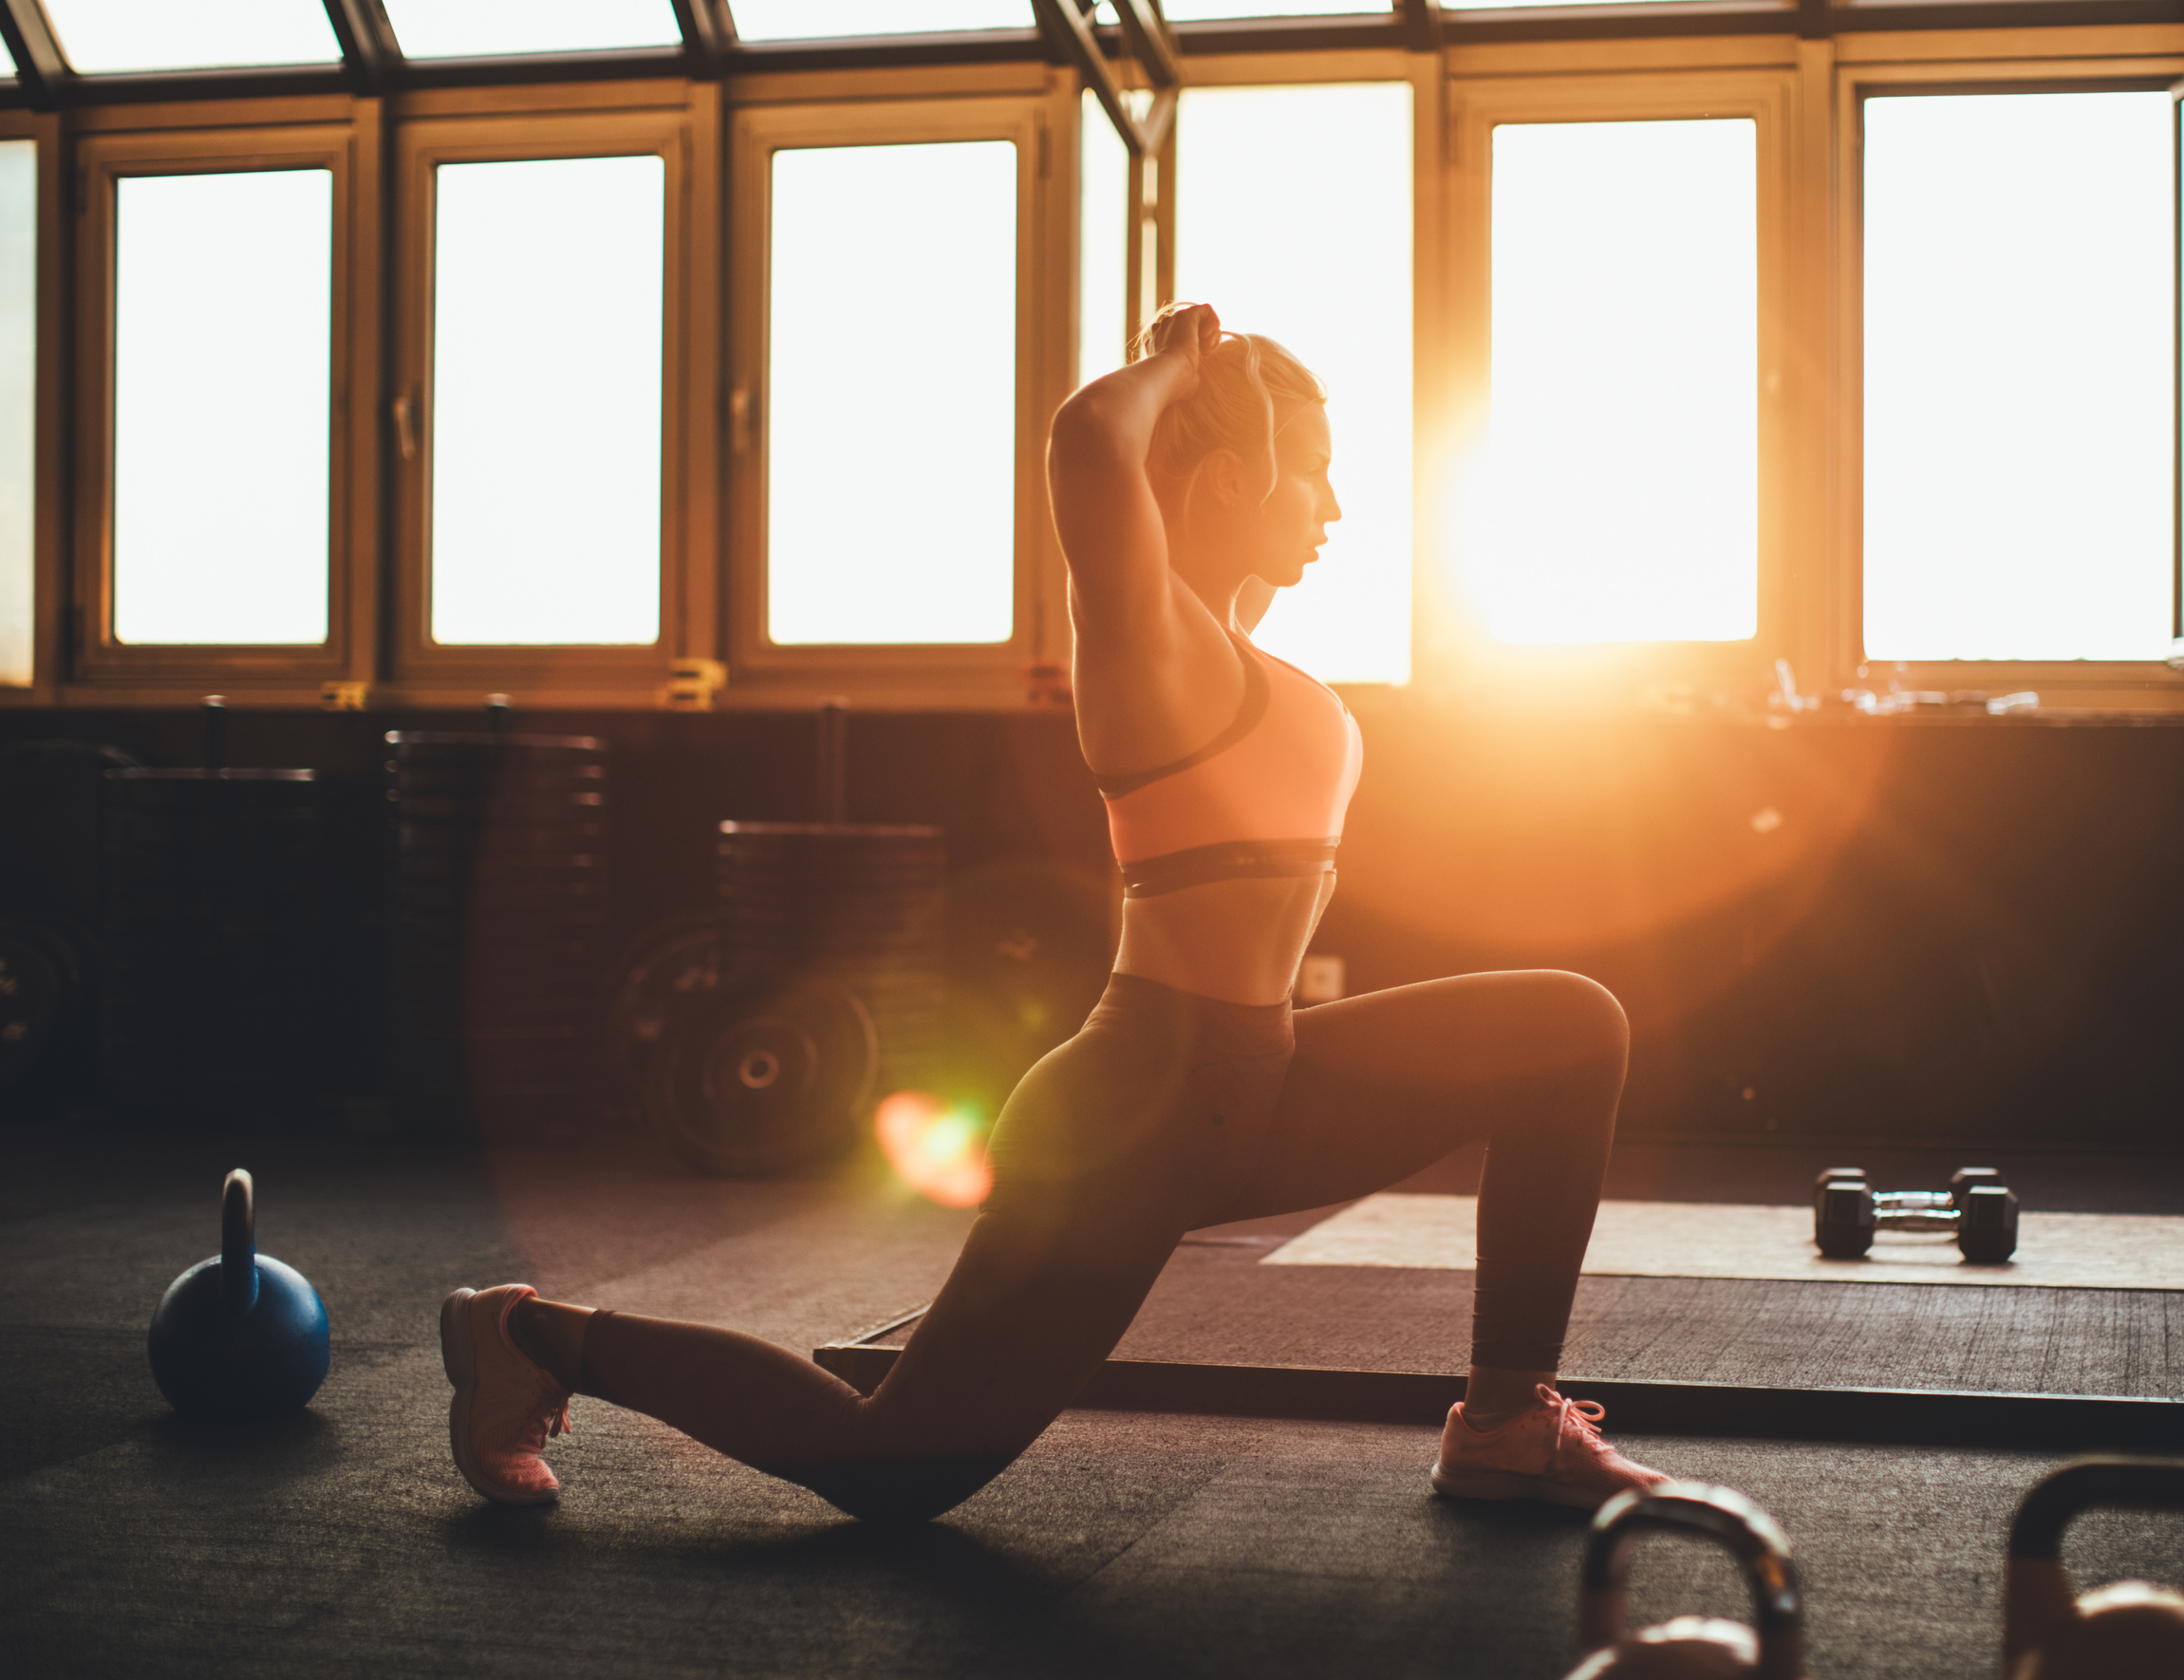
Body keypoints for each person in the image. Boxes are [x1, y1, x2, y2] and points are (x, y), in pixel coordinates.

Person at [439, 303, 1670, 1521]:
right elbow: (1086, 447)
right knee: (901, 1463)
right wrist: (1167, 372)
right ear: (1235, 476)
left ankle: (1507, 1419)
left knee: (1567, 1025)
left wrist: (1207, 396)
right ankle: (535, 1336)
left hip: (1261, 1078)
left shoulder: (1244, 656)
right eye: (1314, 480)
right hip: (1137, 1107)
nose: (1335, 512)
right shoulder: (1149, 643)